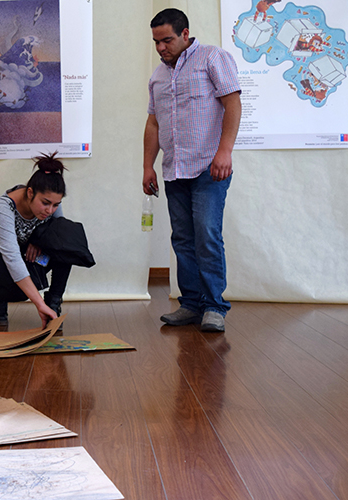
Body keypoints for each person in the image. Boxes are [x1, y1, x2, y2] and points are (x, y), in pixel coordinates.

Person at [143, 8, 241, 333]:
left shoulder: (212, 58)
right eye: (156, 42)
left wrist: (224, 150)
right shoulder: (157, 76)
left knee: (207, 236)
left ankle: (215, 307)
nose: (161, 48)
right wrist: (148, 166)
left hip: (208, 168)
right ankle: (191, 304)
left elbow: (232, 103)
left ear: (185, 34)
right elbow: (154, 122)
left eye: (167, 40)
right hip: (174, 171)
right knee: (183, 238)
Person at [0, 153, 72, 327]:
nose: (50, 210)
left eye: (56, 205)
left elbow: (59, 234)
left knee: (67, 248)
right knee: (25, 289)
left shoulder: (50, 202)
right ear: (30, 192)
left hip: (26, 256)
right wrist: (38, 304)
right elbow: (11, 258)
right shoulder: (2, 208)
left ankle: (53, 304)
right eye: (45, 203)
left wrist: (37, 240)